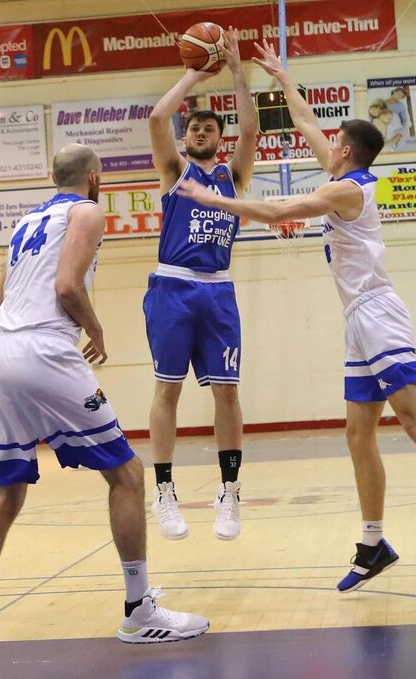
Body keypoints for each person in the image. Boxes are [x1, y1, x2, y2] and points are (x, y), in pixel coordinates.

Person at [178, 41, 416, 592]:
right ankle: (374, 542)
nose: (325, 146)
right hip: (358, 320)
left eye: (334, 143)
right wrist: (284, 80)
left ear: (347, 151)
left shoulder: (348, 190)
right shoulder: (345, 176)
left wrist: (213, 201)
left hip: (379, 315)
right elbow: (307, 122)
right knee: (358, 435)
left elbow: (280, 210)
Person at [0, 144, 208, 655]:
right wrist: (97, 329)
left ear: (50, 176)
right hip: (46, 349)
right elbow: (66, 286)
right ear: (96, 176)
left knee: (7, 495)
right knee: (127, 475)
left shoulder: (22, 225)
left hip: (5, 357)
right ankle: (138, 611)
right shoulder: (87, 210)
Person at [145, 28, 257, 541]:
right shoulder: (174, 170)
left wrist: (235, 70)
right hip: (172, 288)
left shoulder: (231, 180)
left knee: (228, 395)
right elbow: (155, 118)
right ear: (188, 138)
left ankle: (229, 491)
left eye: (211, 128)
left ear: (220, 138)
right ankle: (164, 491)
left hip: (218, 289)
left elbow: (252, 131)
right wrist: (195, 71)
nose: (202, 132)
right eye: (196, 128)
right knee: (166, 389)